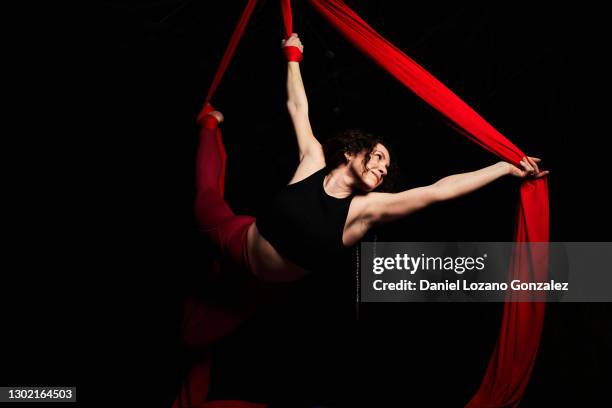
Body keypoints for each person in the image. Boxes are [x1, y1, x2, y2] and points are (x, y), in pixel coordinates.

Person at [195, 33, 549, 283]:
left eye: (385, 168)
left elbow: (438, 191)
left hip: (259, 289)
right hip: (236, 240)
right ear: (350, 152)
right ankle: (209, 123)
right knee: (207, 200)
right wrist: (292, 57)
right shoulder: (313, 161)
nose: (382, 168)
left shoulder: (363, 212)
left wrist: (503, 167)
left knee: (201, 327)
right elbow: (298, 107)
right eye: (378, 157)